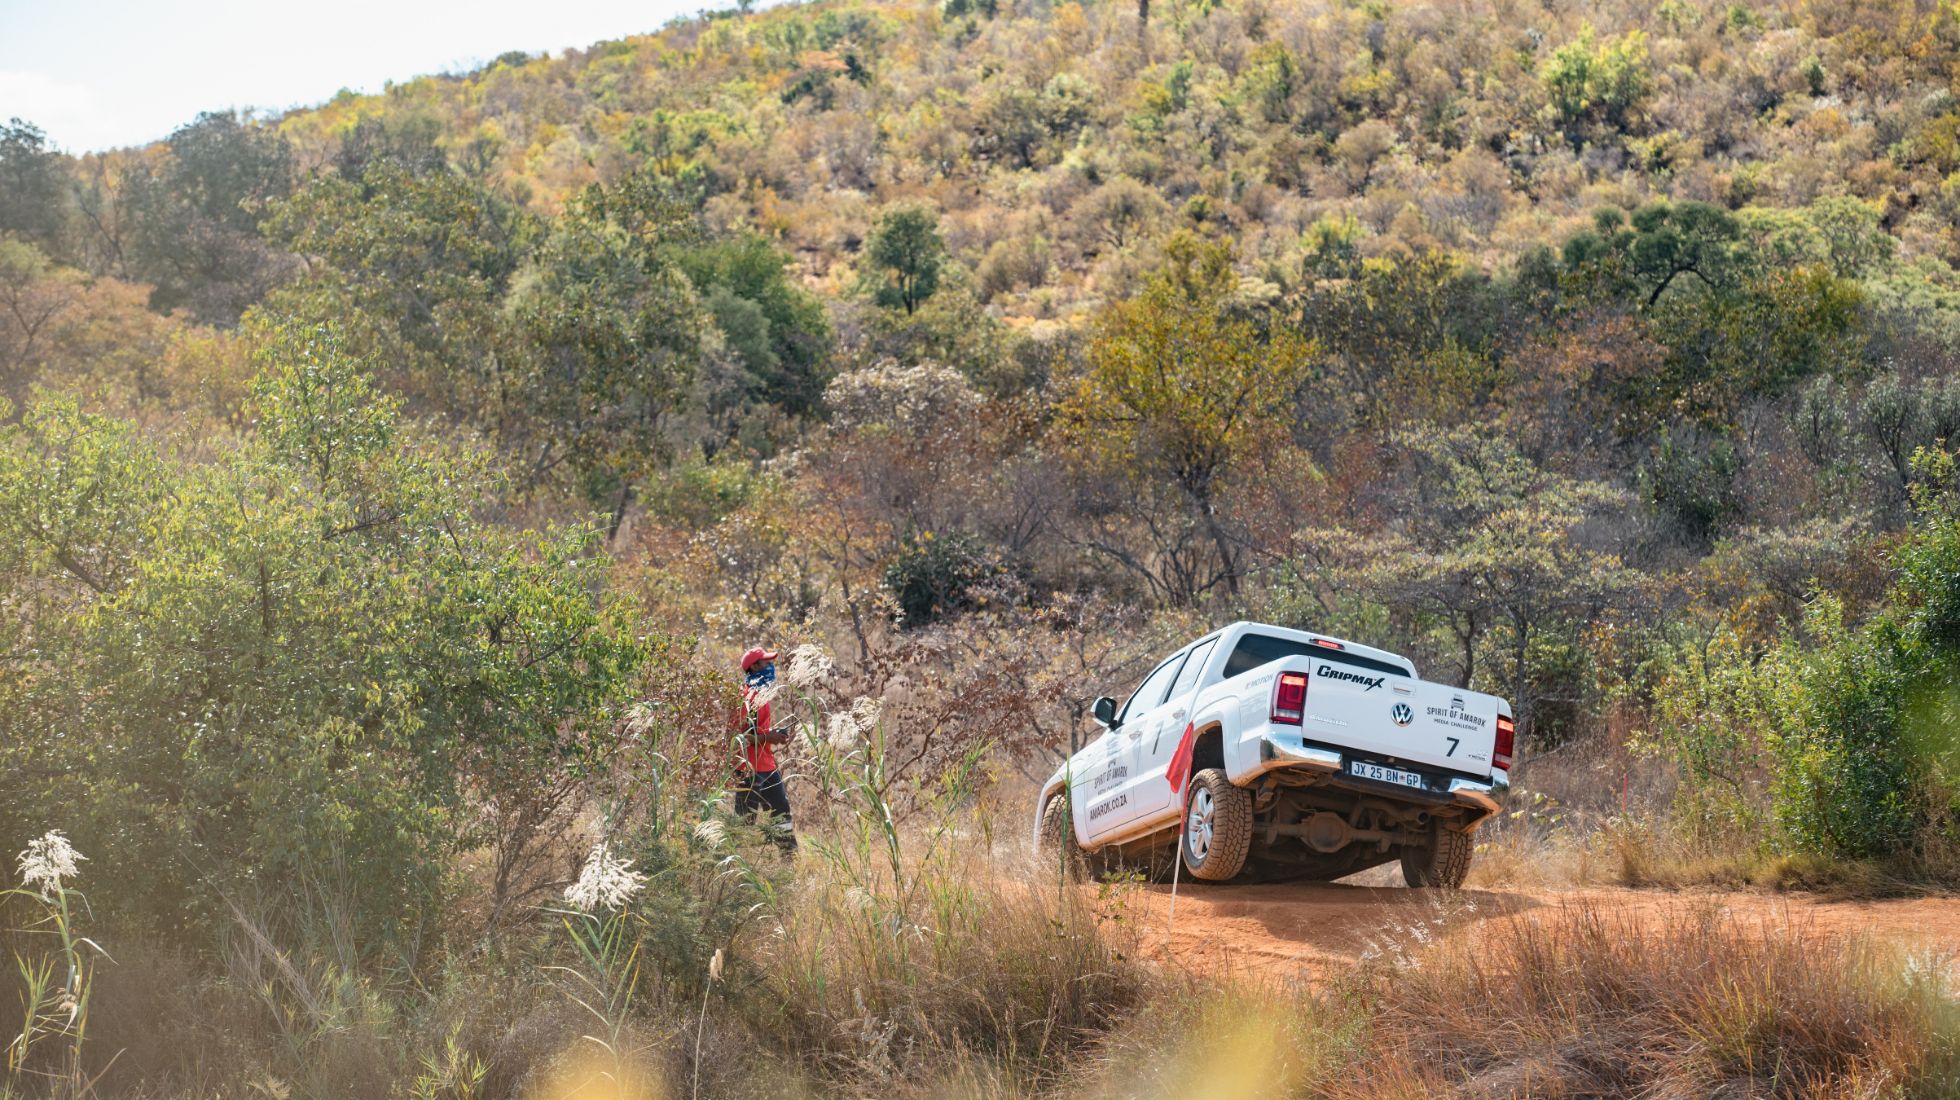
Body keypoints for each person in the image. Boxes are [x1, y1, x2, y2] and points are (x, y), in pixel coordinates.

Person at [732, 646, 797, 852]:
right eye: (766, 662)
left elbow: (757, 730)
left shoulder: (762, 694)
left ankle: (789, 862)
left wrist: (772, 734)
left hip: (767, 766)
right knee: (744, 822)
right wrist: (768, 737)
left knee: (781, 814)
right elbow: (736, 737)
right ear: (754, 666)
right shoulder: (745, 696)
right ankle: (738, 867)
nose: (771, 666)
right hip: (748, 769)